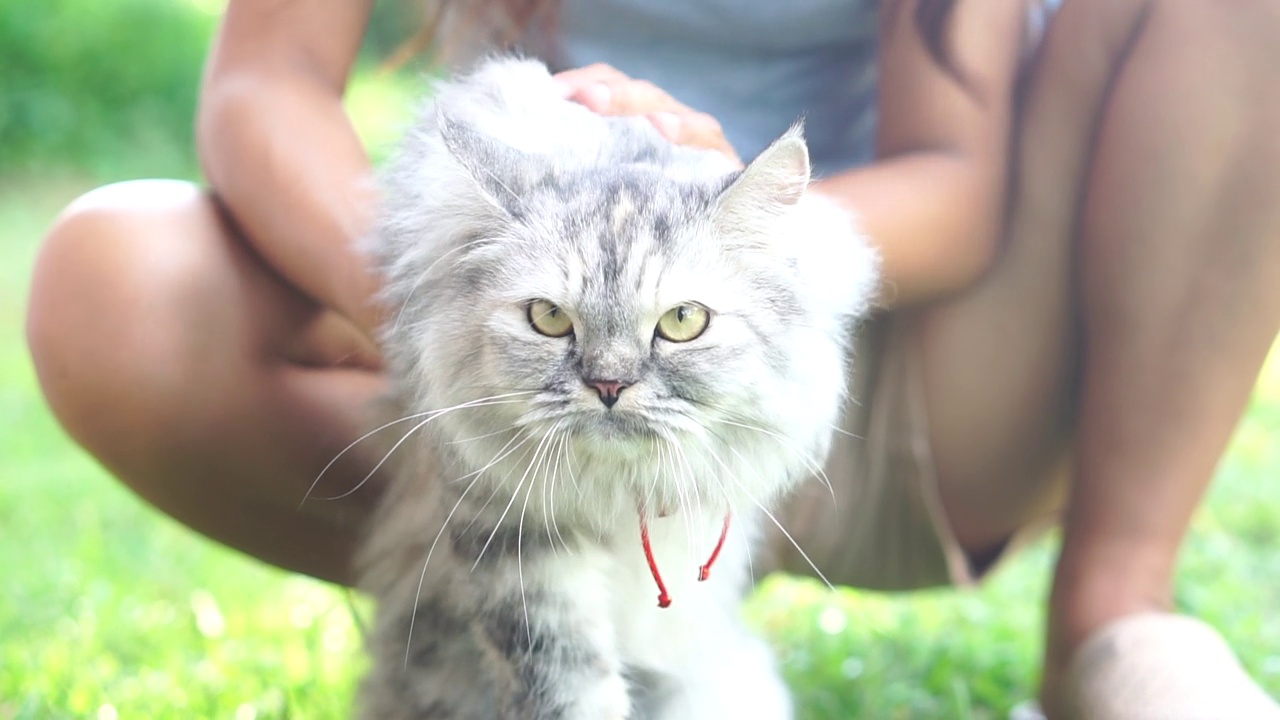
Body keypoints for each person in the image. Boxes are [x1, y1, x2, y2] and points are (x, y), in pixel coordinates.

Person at [25, 0, 1280, 716]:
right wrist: (459, 300)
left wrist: (713, 220)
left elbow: (957, 190)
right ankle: (551, 627)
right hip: (529, 394)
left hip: (866, 383)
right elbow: (262, 86)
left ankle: (1112, 609)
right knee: (112, 278)